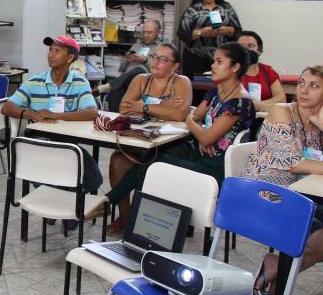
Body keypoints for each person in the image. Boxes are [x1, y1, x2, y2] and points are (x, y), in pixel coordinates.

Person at [93, 43, 254, 227]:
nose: (212, 66)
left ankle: (110, 204)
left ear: (235, 67)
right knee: (150, 158)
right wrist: (195, 126)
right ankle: (125, 212)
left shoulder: (239, 101)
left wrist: (197, 128)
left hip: (215, 165)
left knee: (154, 164)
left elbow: (195, 125)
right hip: (199, 153)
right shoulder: (217, 91)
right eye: (214, 61)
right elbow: (195, 116)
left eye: (219, 62)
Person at [242, 65, 323, 295]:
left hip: (300, 195)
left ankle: (277, 267)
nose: (304, 90)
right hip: (265, 194)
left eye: (314, 86)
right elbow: (293, 163)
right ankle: (279, 274)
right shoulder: (282, 112)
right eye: (301, 83)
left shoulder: (318, 122)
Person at [104, 43, 192, 231]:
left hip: (170, 144)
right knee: (117, 160)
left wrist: (143, 106)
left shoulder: (181, 82)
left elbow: (178, 115)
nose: (156, 62)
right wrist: (165, 106)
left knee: (156, 166)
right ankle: (125, 216)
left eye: (163, 59)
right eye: (154, 56)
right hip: (139, 139)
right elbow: (124, 108)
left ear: (175, 66)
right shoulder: (141, 79)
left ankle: (149, 218)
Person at [1, 34, 103, 195]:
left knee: (87, 173)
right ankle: (62, 203)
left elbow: (91, 112)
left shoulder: (79, 82)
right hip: (40, 145)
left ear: (70, 57)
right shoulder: (34, 82)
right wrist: (33, 115)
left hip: (68, 145)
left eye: (57, 50)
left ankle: (64, 202)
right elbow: (7, 107)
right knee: (64, 165)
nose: (50, 54)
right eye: (50, 50)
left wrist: (56, 115)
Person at [178, 0, 242, 94]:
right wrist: (201, 32)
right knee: (198, 91)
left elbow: (238, 30)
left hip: (221, 59)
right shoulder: (193, 10)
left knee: (219, 91)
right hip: (197, 58)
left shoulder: (226, 8)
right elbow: (182, 33)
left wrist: (227, 29)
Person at [93, 19, 163, 112]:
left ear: (158, 32)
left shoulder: (162, 47)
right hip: (127, 80)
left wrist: (145, 60)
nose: (146, 35)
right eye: (144, 32)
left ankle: (106, 86)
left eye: (149, 32)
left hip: (146, 82)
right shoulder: (137, 45)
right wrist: (127, 61)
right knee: (116, 91)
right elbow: (122, 68)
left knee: (138, 70)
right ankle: (116, 120)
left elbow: (162, 68)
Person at [238, 30, 286, 112]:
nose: (246, 50)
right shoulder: (230, 72)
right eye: (241, 47)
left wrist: (258, 106)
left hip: (265, 119)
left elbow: (281, 99)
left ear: (259, 50)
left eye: (251, 46)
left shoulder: (267, 70)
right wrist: (265, 105)